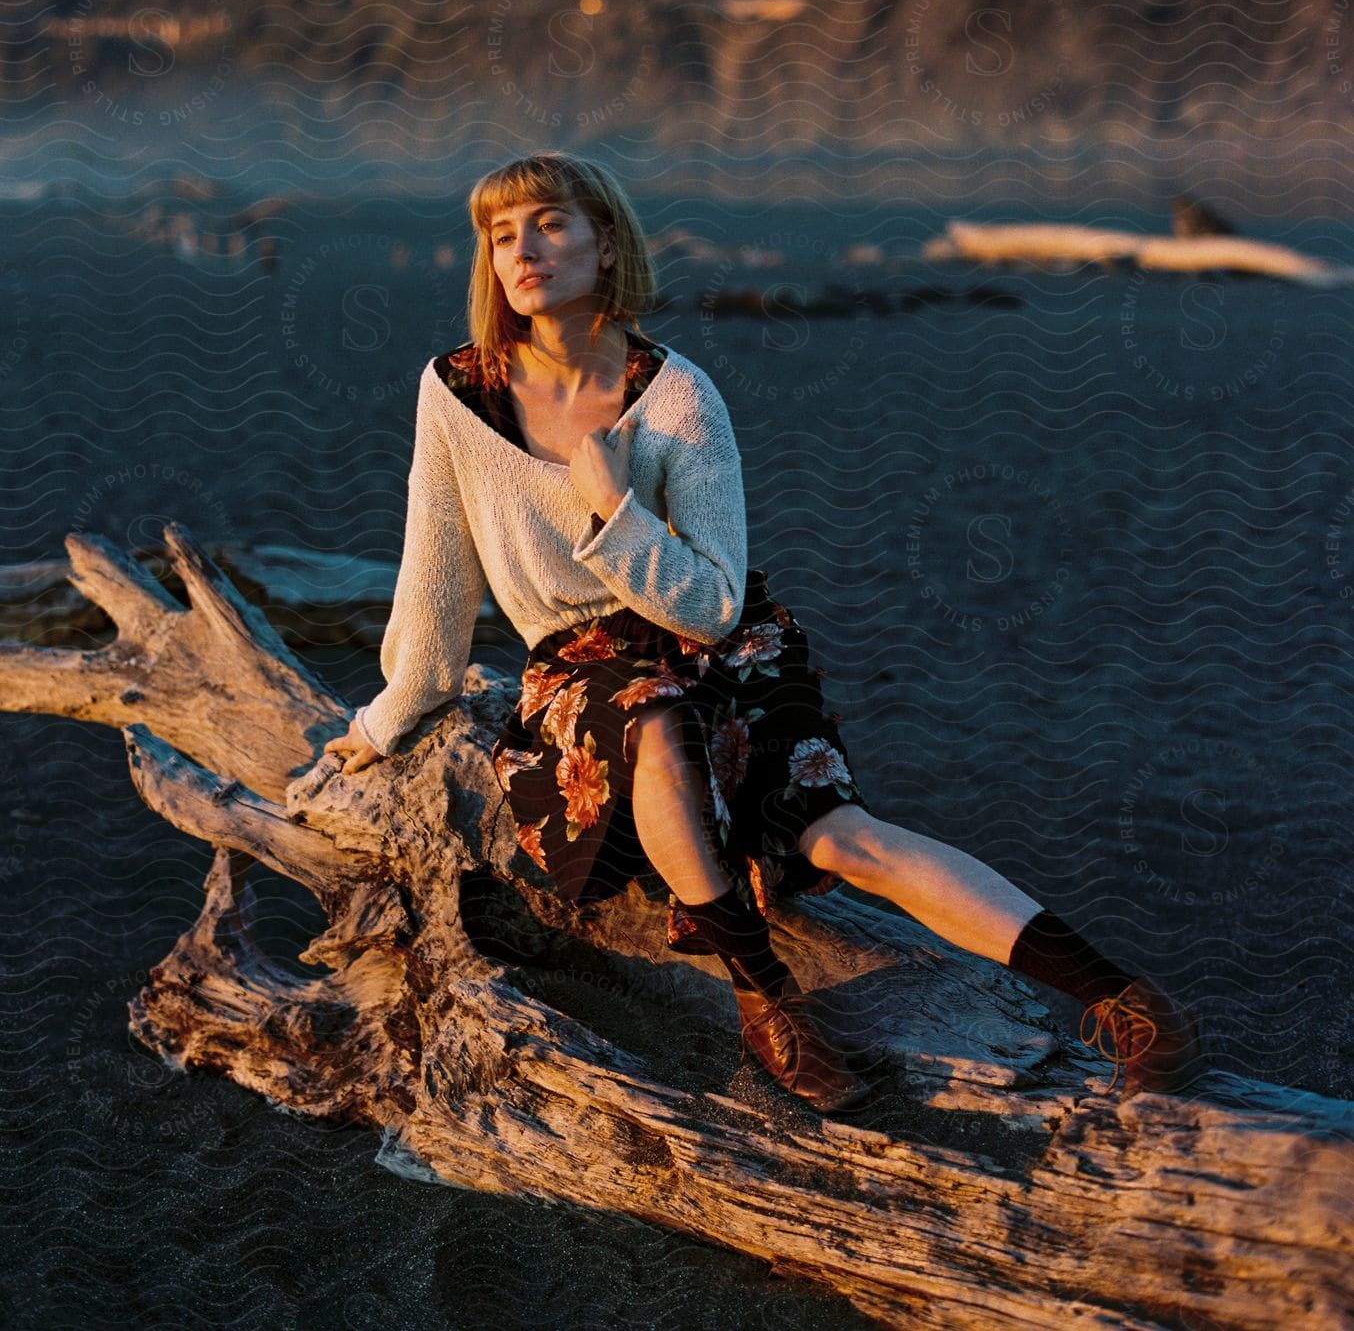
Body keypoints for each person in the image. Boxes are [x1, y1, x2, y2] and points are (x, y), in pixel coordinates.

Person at [323, 151, 1204, 1114]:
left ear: (606, 242)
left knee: (843, 840)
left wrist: (612, 508)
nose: (523, 250)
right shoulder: (454, 392)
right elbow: (435, 574)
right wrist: (387, 716)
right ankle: (766, 1000)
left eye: (550, 224)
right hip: (580, 669)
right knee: (649, 717)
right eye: (501, 235)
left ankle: (1126, 999)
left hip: (723, 650)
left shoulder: (679, 397)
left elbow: (709, 604)